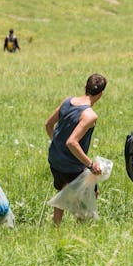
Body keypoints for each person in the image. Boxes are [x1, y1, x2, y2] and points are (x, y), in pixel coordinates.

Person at [44, 73, 107, 225]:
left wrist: (57, 144)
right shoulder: (90, 115)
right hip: (71, 164)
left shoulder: (67, 102)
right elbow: (72, 142)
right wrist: (91, 165)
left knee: (63, 190)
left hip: (54, 158)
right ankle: (81, 225)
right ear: (100, 94)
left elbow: (48, 125)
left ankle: (56, 225)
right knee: (92, 192)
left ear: (85, 87)